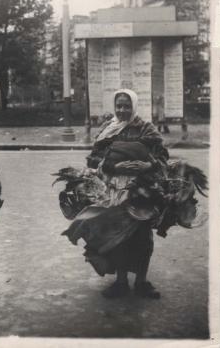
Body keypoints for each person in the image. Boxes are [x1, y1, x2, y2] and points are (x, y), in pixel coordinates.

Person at [62, 89, 169, 299]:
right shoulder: (107, 130)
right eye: (119, 105)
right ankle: (120, 282)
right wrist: (113, 166)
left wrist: (147, 164)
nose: (122, 110)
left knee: (143, 238)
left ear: (134, 106)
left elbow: (163, 158)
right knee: (118, 237)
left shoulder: (147, 129)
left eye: (127, 106)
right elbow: (93, 160)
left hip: (142, 190)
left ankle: (141, 281)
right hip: (113, 192)